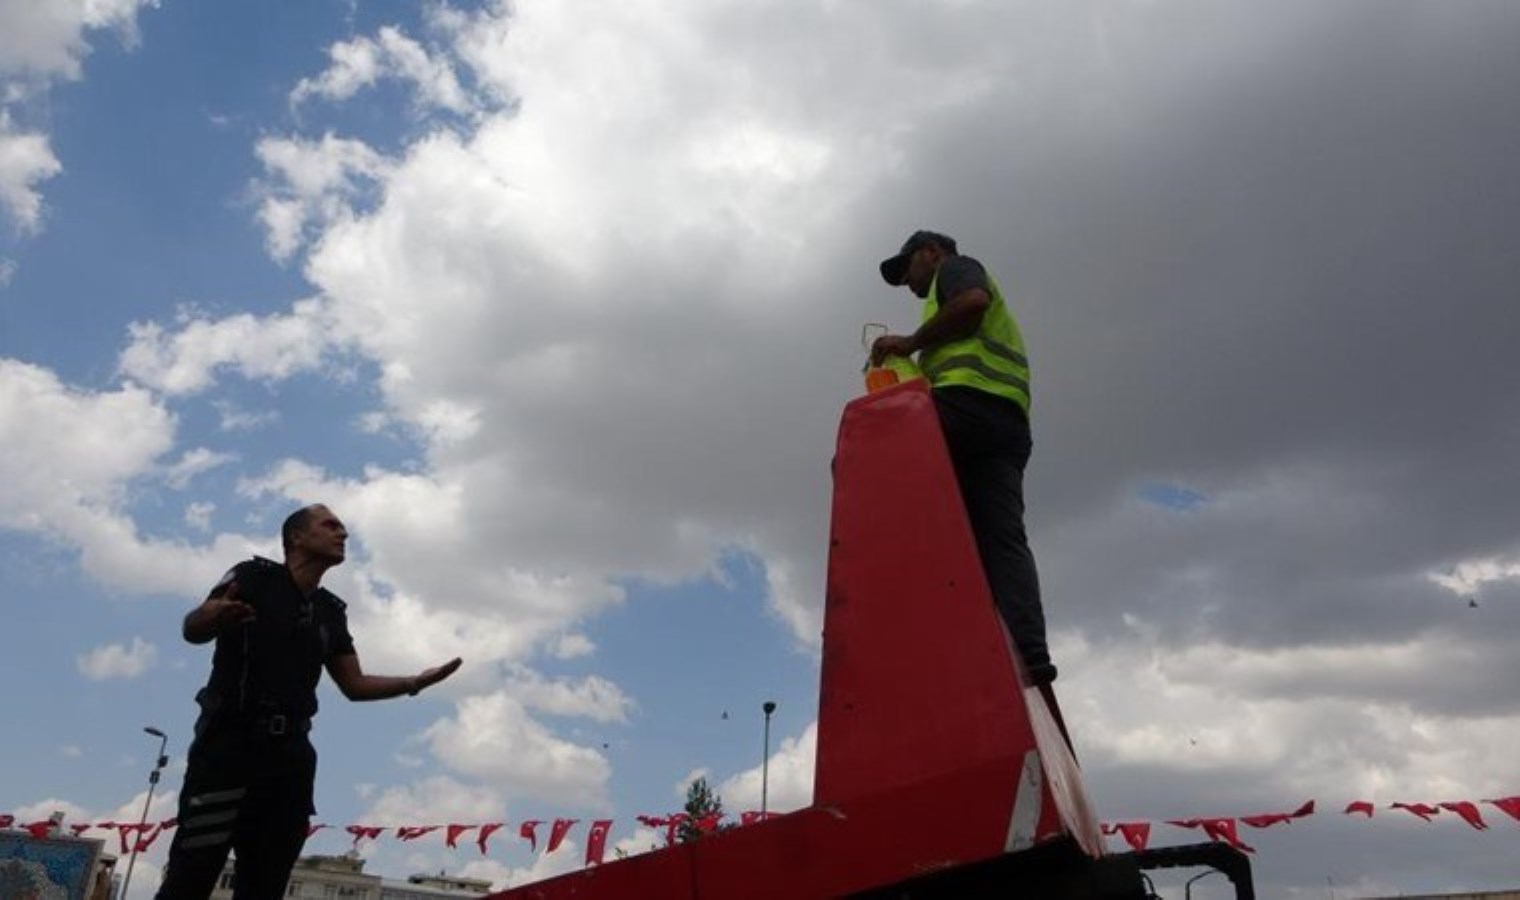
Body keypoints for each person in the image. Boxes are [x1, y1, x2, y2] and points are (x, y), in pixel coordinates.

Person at [156, 504, 462, 899]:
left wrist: (413, 682)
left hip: (290, 760)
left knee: (265, 884)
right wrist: (214, 615)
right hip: (228, 749)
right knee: (191, 876)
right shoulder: (253, 577)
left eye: (343, 528)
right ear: (296, 537)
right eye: (330, 525)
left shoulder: (330, 611)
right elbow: (193, 629)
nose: (343, 534)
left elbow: (354, 684)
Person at [872, 230, 1057, 689]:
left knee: (867, 455)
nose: (907, 284)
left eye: (908, 268)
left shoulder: (957, 269)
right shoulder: (943, 300)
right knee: (999, 538)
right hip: (1007, 424)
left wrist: (911, 343)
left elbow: (972, 302)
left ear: (932, 253)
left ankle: (900, 610)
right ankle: (1029, 653)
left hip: (968, 408)